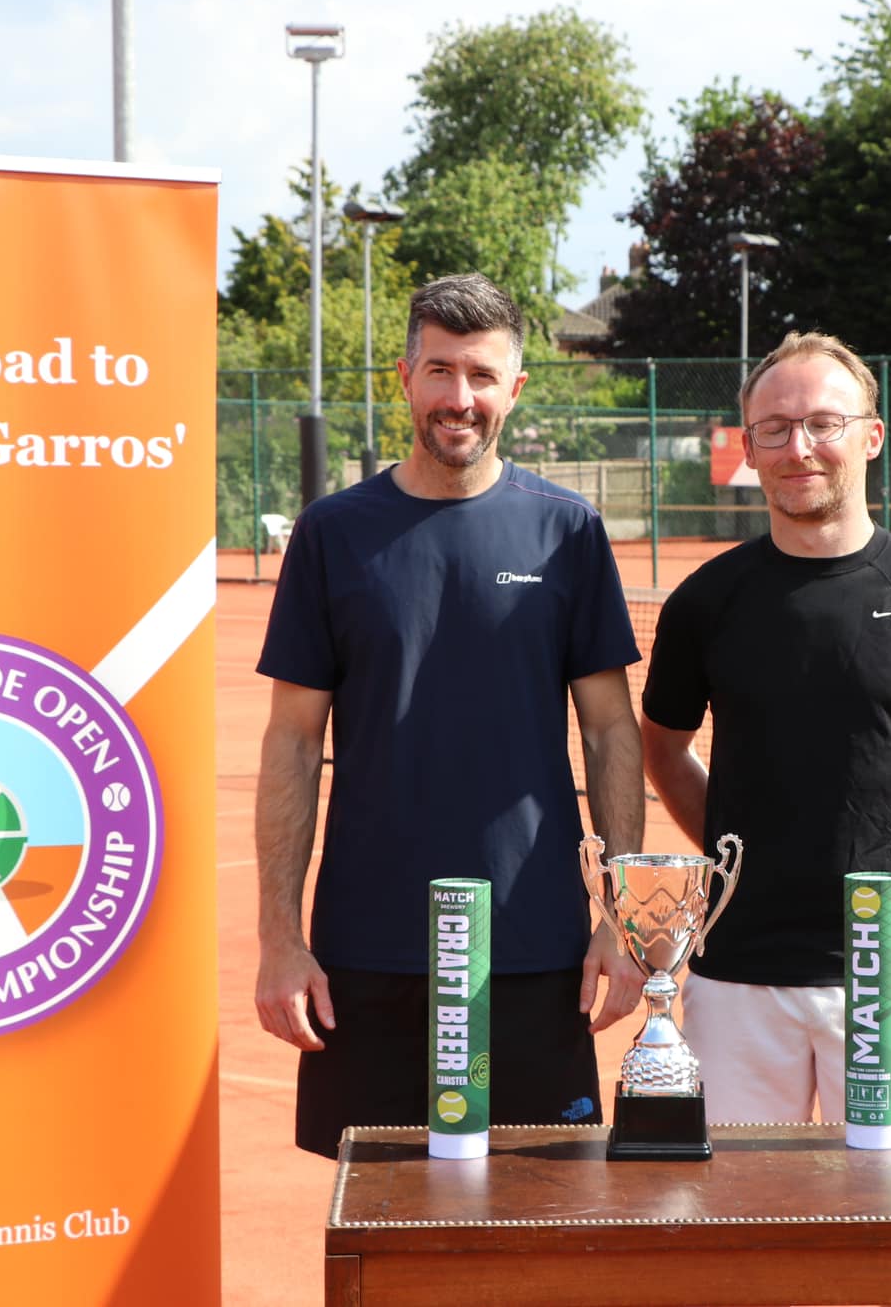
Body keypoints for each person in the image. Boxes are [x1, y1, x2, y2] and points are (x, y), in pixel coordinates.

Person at [253, 273, 646, 1157]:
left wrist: (618, 922)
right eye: (439, 370)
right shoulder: (332, 534)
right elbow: (292, 743)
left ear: (516, 388)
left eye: (481, 375)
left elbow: (610, 731)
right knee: (378, 1212)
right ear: (404, 378)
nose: (458, 398)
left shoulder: (568, 531)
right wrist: (281, 938)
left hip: (535, 946)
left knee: (538, 1206)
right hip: (368, 947)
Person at [639, 330, 891, 1124]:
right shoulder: (705, 602)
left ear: (871, 437)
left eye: (824, 423)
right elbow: (664, 748)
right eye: (775, 428)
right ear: (750, 446)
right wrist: (733, 861)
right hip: (738, 969)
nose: (799, 447)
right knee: (736, 1196)